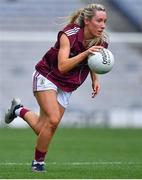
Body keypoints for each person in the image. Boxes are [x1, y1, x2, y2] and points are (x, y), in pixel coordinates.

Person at [5, 3, 108, 172]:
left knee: (44, 128)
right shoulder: (69, 34)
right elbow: (62, 66)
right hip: (47, 76)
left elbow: (93, 62)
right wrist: (85, 53)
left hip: (67, 86)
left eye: (105, 21)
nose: (103, 25)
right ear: (88, 21)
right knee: (52, 120)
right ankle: (38, 164)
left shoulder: (102, 42)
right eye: (99, 20)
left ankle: (18, 110)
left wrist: (95, 80)